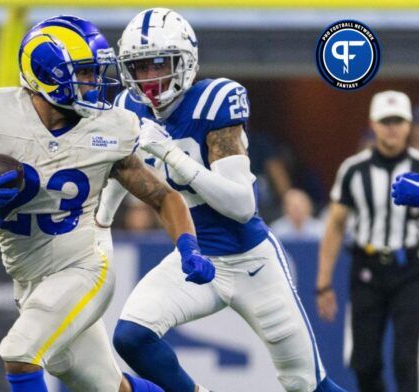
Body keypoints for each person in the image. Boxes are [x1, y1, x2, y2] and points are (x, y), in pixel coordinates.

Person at [0, 16, 214, 392]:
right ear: (47, 74)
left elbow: (162, 196)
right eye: (85, 73)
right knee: (110, 387)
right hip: (30, 279)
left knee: (19, 351)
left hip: (85, 267)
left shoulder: (111, 127)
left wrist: (188, 247)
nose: (95, 83)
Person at [95, 8, 344, 392]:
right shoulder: (129, 109)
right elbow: (119, 170)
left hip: (250, 262)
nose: (149, 78)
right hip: (193, 255)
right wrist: (99, 226)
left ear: (186, 61)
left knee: (307, 385)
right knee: (131, 336)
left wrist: (171, 155)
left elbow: (242, 206)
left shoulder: (214, 101)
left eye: (159, 64)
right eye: (140, 67)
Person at [317, 90, 419, 392]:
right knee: (364, 362)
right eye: (385, 121)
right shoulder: (353, 169)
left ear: (409, 124)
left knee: (407, 360)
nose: (392, 128)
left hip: (411, 269)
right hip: (367, 269)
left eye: (398, 121)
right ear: (373, 124)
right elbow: (335, 225)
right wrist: (323, 284)